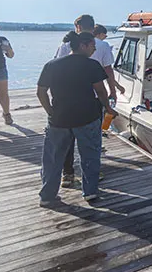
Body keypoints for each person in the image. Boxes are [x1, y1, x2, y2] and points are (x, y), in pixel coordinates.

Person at [37, 31, 117, 206]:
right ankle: (90, 192)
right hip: (87, 117)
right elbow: (101, 91)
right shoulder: (92, 65)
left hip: (59, 119)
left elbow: (41, 91)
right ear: (83, 45)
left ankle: (47, 195)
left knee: (53, 159)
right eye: (92, 46)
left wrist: (50, 111)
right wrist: (108, 107)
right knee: (90, 155)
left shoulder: (51, 65)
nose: (94, 50)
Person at [55, 14, 123, 188]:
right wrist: (113, 92)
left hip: (68, 98)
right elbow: (108, 71)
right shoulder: (103, 45)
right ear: (93, 28)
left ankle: (68, 173)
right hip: (93, 97)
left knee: (68, 139)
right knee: (92, 139)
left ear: (77, 27)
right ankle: (93, 172)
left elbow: (57, 67)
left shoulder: (66, 45)